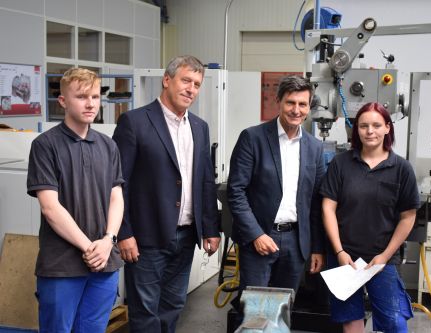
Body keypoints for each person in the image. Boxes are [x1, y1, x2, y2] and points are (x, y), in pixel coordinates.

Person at [112, 55, 221, 333]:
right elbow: (115, 183)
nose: (191, 89)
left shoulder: (199, 126)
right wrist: (123, 233)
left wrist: (210, 228)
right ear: (167, 80)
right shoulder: (134, 122)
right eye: (186, 80)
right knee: (146, 313)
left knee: (173, 307)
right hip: (146, 238)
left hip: (186, 237)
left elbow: (206, 181)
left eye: (197, 84)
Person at [27, 68, 124, 333]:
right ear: (63, 101)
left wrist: (108, 241)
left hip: (104, 264)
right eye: (82, 96)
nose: (91, 103)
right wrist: (89, 248)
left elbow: (117, 197)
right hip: (62, 266)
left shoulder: (108, 145)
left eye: (95, 96)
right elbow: (50, 207)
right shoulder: (45, 145)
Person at [321, 102, 421, 333]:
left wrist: (385, 256)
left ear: (387, 128)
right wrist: (339, 252)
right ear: (356, 130)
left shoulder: (401, 168)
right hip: (344, 257)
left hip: (381, 259)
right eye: (363, 126)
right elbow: (328, 208)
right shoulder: (341, 164)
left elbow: (408, 216)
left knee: (394, 322)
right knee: (350, 319)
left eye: (376, 125)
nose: (370, 131)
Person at [227, 75, 325, 305]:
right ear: (279, 101)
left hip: (296, 242)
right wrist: (256, 235)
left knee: (282, 311)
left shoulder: (314, 147)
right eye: (290, 102)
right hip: (260, 238)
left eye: (302, 104)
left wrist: (317, 248)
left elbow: (316, 202)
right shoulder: (253, 138)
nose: (296, 110)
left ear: (309, 107)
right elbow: (236, 191)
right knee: (255, 312)